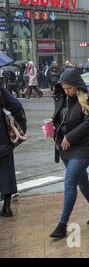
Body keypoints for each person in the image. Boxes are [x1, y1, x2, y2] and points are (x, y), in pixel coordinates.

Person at [47, 68, 89, 239]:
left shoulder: (88, 98)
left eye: (69, 88)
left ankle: (62, 225)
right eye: (64, 88)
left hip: (83, 148)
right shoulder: (62, 98)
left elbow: (88, 123)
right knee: (82, 181)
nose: (66, 91)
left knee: (70, 182)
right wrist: (52, 129)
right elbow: (59, 120)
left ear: (77, 86)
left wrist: (69, 136)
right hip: (65, 148)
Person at [0, 86, 26, 217]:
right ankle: (6, 207)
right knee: (6, 174)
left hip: (3, 140)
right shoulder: (2, 91)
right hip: (4, 140)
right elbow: (16, 105)